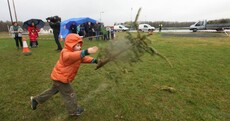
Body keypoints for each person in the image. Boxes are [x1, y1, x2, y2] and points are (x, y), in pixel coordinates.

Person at [30, 33, 99, 116]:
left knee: (53, 90)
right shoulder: (65, 53)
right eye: (77, 45)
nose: (80, 47)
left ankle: (36, 100)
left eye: (80, 45)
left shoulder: (76, 53)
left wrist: (94, 60)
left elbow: (83, 58)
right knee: (70, 94)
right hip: (61, 79)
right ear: (70, 45)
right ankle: (73, 111)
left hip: (58, 78)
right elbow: (71, 57)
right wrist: (86, 51)